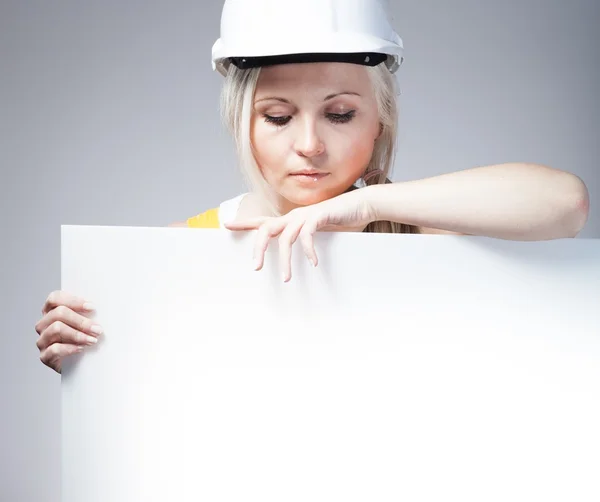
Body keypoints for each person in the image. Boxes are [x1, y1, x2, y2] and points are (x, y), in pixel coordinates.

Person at [35, 0, 590, 373]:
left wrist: (368, 204)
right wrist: (85, 358)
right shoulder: (185, 248)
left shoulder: (420, 229)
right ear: (242, 123)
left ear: (382, 120)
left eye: (341, 114)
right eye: (278, 117)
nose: (310, 145)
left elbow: (565, 204)